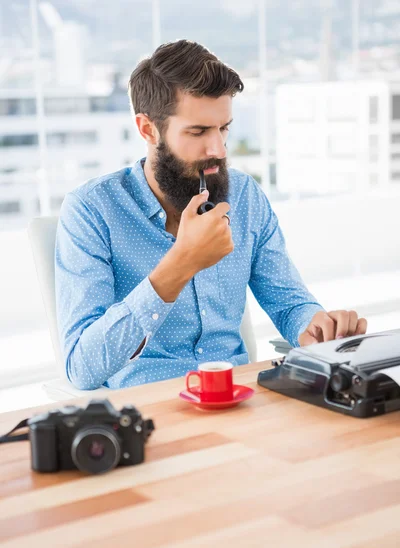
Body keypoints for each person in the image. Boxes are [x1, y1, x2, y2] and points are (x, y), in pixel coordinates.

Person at [55, 39, 367, 391]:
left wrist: (315, 326)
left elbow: (290, 302)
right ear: (147, 129)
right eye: (198, 131)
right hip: (150, 409)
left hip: (239, 397)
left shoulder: (245, 196)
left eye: (224, 128)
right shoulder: (92, 210)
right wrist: (181, 263)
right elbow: (81, 367)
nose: (217, 150)